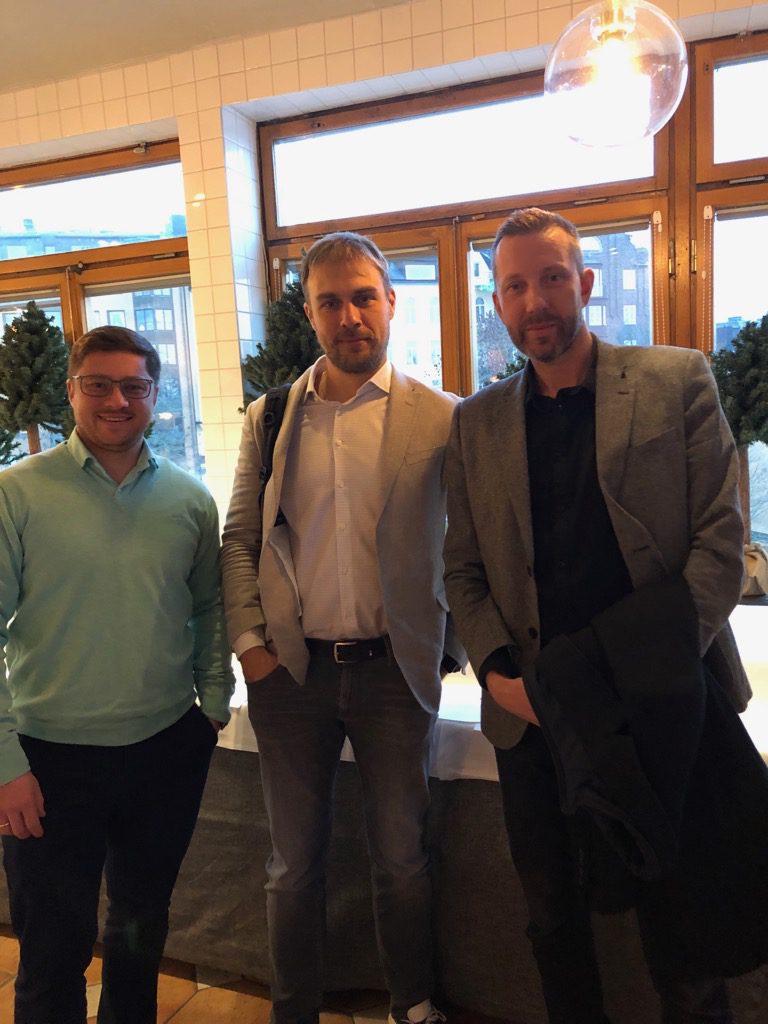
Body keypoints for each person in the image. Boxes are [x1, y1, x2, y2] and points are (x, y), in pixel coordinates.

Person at [443, 207, 761, 1023]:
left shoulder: (675, 379)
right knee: (554, 919)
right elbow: (463, 571)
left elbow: (721, 544)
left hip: (663, 711)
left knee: (684, 924)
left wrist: (638, 679)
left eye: (551, 278)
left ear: (584, 284)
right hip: (535, 719)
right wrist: (497, 673)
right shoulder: (474, 425)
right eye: (514, 286)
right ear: (498, 303)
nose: (535, 301)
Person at [221, 231, 463, 1024]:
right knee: (293, 867)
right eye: (330, 301)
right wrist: (251, 646)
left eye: (363, 296)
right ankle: (292, 1010)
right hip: (292, 675)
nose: (349, 314)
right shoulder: (271, 416)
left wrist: (450, 647)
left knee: (402, 861)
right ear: (310, 312)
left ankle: (414, 1004)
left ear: (391, 302)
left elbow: (470, 541)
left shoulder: (441, 417)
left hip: (396, 672)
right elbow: (240, 538)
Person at [0, 325, 235, 1024]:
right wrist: (5, 760)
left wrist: (214, 703)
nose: (116, 400)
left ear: (155, 396)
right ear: (72, 390)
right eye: (98, 384)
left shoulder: (190, 501)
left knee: (141, 925)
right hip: (47, 760)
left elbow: (209, 609)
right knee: (52, 945)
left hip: (164, 750)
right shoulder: (17, 493)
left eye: (134, 386)